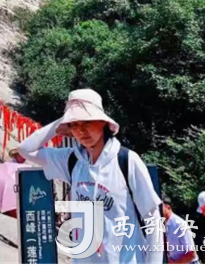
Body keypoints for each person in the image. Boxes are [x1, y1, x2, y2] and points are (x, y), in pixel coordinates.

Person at [16, 88, 163, 264]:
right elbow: (25, 149)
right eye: (74, 125)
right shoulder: (71, 160)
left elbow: (152, 218)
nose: (81, 131)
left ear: (103, 122)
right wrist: (63, 120)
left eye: (87, 122)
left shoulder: (126, 161)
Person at [163, 196, 200, 264]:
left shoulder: (179, 224)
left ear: (168, 207)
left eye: (160, 208)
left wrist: (175, 263)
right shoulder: (164, 225)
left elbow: (191, 254)